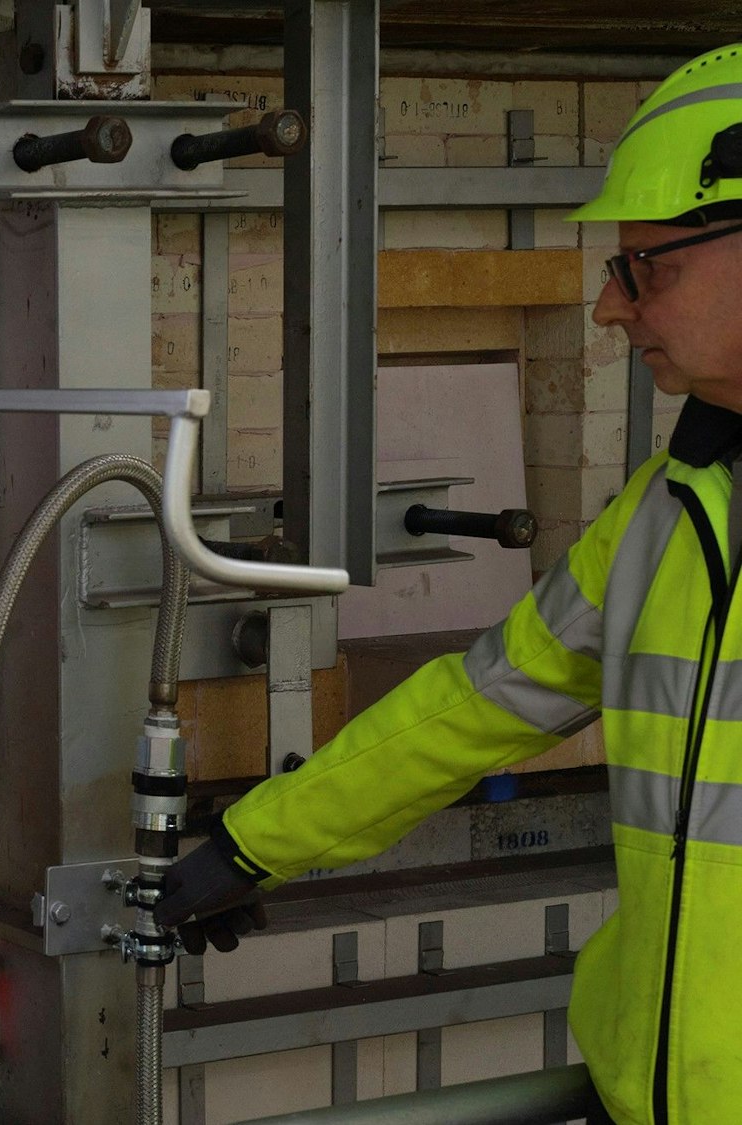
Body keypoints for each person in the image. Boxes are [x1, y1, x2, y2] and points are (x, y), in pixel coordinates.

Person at [155, 43, 742, 1125]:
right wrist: (250, 845)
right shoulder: (670, 509)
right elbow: (477, 705)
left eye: (644, 267)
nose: (610, 311)